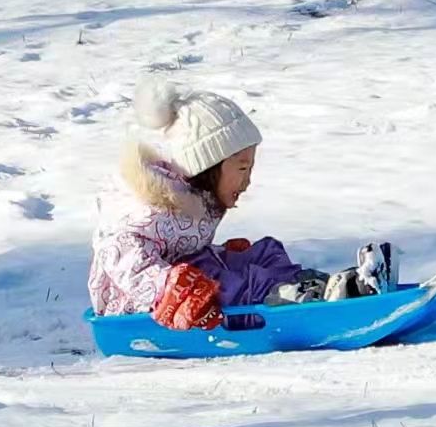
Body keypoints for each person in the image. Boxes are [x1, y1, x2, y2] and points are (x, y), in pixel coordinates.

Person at [88, 76, 390, 329]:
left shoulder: (191, 198)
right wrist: (170, 287)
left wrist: (220, 254)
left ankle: (323, 289)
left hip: (186, 284)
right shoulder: (146, 210)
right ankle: (297, 303)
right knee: (228, 283)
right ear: (208, 166)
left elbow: (184, 251)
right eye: (242, 169)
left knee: (263, 252)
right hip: (141, 309)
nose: (247, 182)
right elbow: (124, 263)